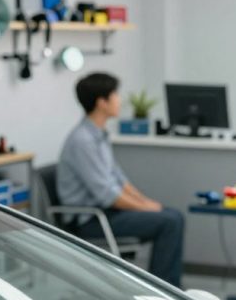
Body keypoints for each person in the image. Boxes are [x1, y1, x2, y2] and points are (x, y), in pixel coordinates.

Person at [57, 72, 184, 287]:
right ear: (101, 102)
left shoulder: (100, 135)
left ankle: (168, 287)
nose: (120, 100)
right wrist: (146, 209)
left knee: (171, 214)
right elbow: (108, 195)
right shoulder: (83, 141)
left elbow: (120, 181)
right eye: (115, 95)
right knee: (170, 222)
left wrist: (148, 203)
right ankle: (164, 292)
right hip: (92, 220)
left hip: (107, 212)